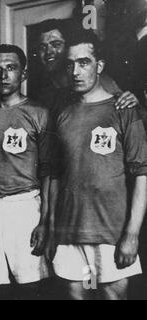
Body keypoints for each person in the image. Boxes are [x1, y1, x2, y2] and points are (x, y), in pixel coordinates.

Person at [47, 29, 147, 300]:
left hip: (110, 233)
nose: (76, 71)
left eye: (84, 62)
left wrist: (132, 234)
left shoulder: (125, 109)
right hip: (70, 232)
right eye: (70, 64)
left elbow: (141, 175)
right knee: (78, 297)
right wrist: (52, 225)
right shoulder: (62, 113)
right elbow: (55, 175)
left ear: (99, 66)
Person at [0, 44, 51, 299]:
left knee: (30, 287)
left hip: (25, 207)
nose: (3, 75)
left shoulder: (39, 113)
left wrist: (44, 222)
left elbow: (49, 173)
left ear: (23, 74)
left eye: (11, 68)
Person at [34, 19, 138, 115]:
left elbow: (127, 113)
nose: (48, 52)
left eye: (56, 44)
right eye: (42, 47)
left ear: (68, 48)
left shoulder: (98, 82)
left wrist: (132, 104)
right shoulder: (43, 92)